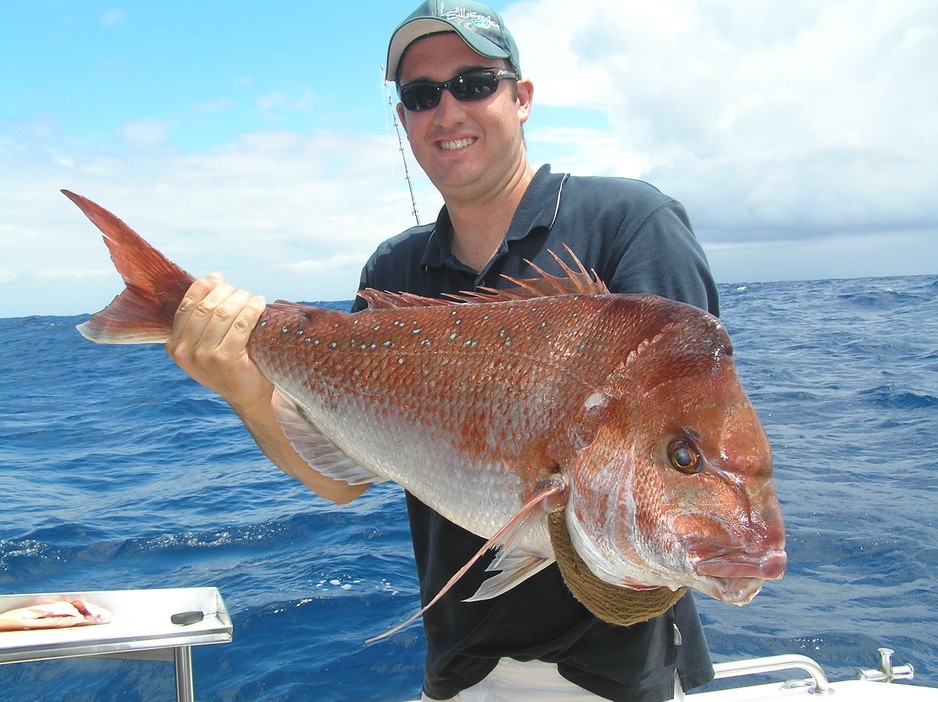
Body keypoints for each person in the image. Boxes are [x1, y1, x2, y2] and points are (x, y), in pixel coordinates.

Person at [167, 2, 718, 700]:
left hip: (615, 675)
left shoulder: (629, 225)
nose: (447, 110)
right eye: (421, 95)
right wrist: (247, 393)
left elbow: (692, 443)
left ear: (521, 98)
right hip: (459, 671)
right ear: (404, 121)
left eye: (473, 83)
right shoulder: (393, 274)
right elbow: (344, 481)